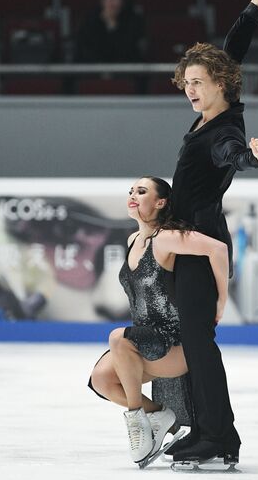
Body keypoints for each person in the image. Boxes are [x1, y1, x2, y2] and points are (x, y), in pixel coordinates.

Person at [166, 0, 258, 464]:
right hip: (188, 238)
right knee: (193, 344)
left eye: (198, 82)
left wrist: (254, 157)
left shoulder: (226, 130)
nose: (190, 89)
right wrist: (257, 3)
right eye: (186, 83)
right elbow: (233, 51)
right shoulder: (223, 108)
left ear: (219, 84)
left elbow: (231, 155)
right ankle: (204, 428)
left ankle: (221, 437)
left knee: (200, 345)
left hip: (201, 241)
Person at [87, 176, 229, 465]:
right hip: (144, 342)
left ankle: (136, 424)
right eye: (131, 191)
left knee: (118, 337)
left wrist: (221, 299)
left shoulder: (164, 238)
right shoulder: (132, 240)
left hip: (173, 343)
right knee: (101, 380)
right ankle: (158, 414)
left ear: (160, 202)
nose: (133, 195)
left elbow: (218, 249)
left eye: (142, 191)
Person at [75, 0, 145, 64]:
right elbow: (87, 51)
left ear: (123, 1)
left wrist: (112, 25)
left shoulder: (133, 21)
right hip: (94, 71)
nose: (111, 2)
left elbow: (128, 51)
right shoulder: (90, 21)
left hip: (125, 70)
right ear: (101, 1)